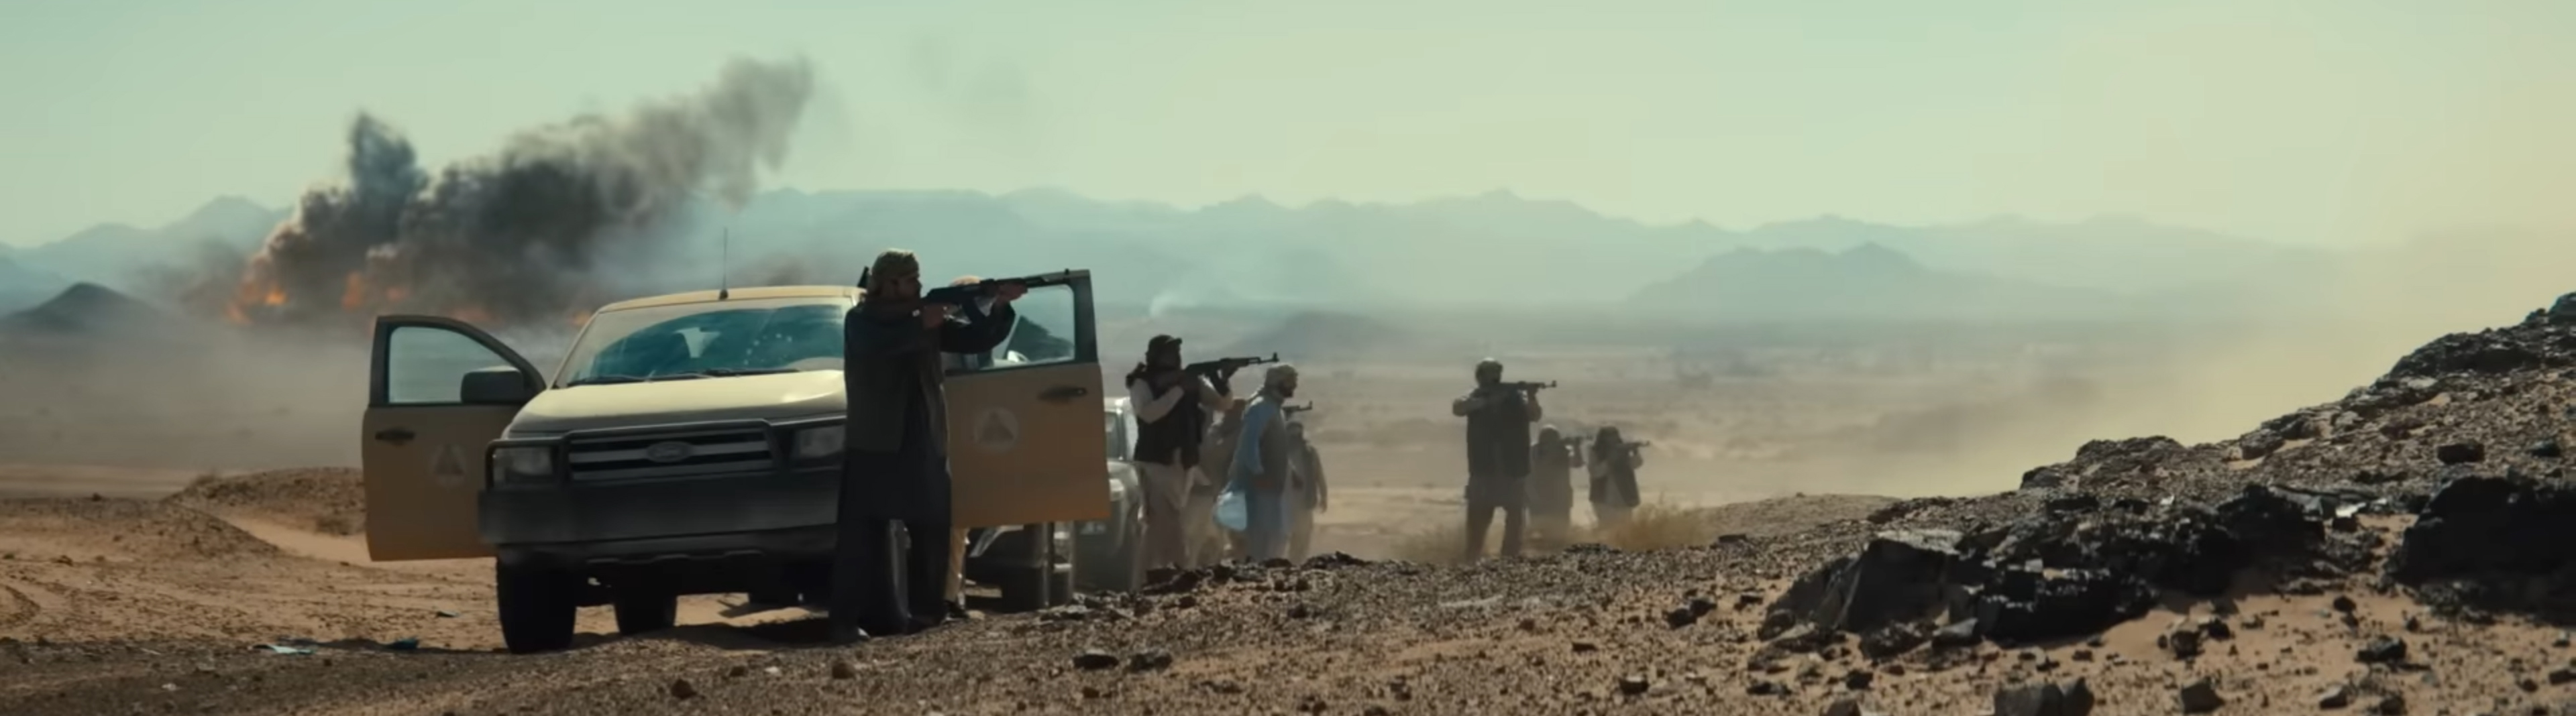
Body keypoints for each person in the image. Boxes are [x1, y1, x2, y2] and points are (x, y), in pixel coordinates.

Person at [832, 250, 1024, 644]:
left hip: (923, 437)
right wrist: (923, 324)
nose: (919, 286)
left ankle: (927, 615)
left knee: (933, 529)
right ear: (891, 284)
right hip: (877, 440)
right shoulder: (861, 320)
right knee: (862, 537)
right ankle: (847, 621)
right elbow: (879, 347)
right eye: (912, 280)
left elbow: (975, 339)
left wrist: (999, 306)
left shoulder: (924, 318)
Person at [1123, 335, 1232, 571]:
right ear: (1156, 356)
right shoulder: (1142, 383)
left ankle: (1150, 576)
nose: (1175, 357)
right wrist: (1179, 391)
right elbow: (1149, 414)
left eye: (1177, 352)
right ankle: (1176, 571)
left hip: (1183, 462)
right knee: (1167, 522)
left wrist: (1221, 379)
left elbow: (1222, 404)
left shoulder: (1188, 381)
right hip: (1156, 462)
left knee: (1162, 525)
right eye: (1170, 352)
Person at [1450, 359, 1542, 561]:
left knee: (1516, 518)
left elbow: (1535, 415)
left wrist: (1532, 396)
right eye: (1490, 374)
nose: (1494, 378)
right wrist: (1489, 401)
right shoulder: (1476, 397)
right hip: (1484, 468)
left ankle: (1509, 559)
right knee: (1478, 520)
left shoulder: (1516, 399)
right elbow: (1458, 408)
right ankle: (1472, 557)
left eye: (1496, 374)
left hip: (1513, 468)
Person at [1226, 364, 1301, 561]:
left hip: (1273, 488)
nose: (1294, 386)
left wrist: (1291, 472)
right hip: (1260, 489)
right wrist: (1258, 474)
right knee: (1261, 543)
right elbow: (1248, 446)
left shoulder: (1273, 408)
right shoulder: (1261, 407)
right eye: (1290, 381)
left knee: (1276, 540)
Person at [1193, 397, 1250, 564]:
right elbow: (1216, 453)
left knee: (1239, 540)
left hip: (1237, 492)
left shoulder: (1241, 430)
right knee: (1214, 539)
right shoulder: (1217, 431)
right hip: (1217, 491)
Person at [1525, 424, 1583, 547]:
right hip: (1539, 497)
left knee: (1560, 534)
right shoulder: (1534, 451)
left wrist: (1576, 447)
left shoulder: (1563, 452)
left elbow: (1577, 463)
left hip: (1560, 497)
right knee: (1539, 532)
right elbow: (1531, 473)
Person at [1588, 426, 1646, 531]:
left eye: (1614, 436)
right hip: (1603, 497)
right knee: (1606, 527)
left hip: (1623, 494)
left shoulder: (1622, 450)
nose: (1612, 439)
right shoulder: (1595, 452)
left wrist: (1635, 451)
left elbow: (1636, 464)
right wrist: (1610, 461)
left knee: (1625, 527)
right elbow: (1595, 472)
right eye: (1609, 436)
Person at [1285, 420, 1328, 560]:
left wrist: (1324, 496)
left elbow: (1318, 474)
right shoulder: (1281, 453)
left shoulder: (1309, 452)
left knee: (1303, 537)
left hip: (1305, 501)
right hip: (1286, 503)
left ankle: (1298, 563)